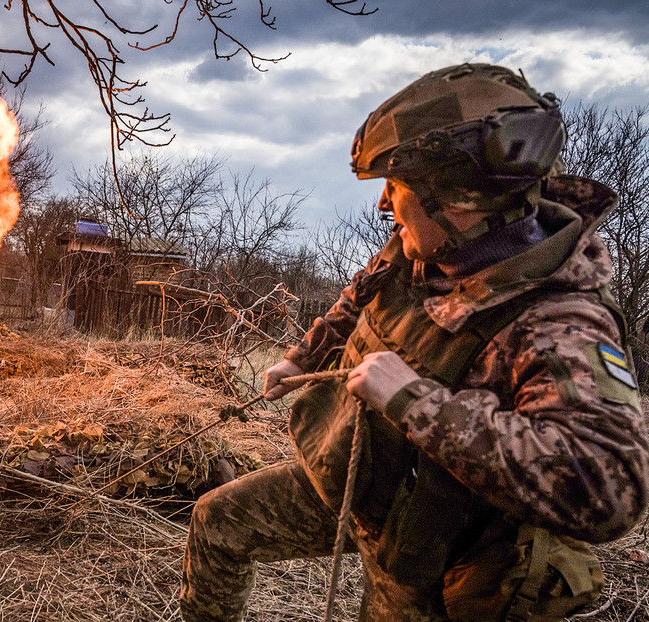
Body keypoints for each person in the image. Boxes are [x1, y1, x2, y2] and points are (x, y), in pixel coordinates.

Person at [180, 63, 649, 622]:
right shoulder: (426, 246)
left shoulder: (559, 322)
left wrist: (414, 401)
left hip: (434, 551)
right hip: (356, 483)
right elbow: (360, 295)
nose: (384, 204)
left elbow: (607, 489)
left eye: (397, 187)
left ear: (460, 204)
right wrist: (301, 357)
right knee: (217, 520)